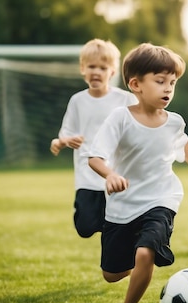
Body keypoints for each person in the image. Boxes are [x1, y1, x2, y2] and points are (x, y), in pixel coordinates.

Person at [88, 43, 188, 303]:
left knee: (145, 253)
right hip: (122, 206)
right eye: (160, 81)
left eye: (172, 82)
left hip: (162, 199)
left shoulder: (174, 122)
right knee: (111, 274)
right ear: (135, 84)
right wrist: (110, 174)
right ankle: (137, 267)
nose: (168, 88)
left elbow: (185, 147)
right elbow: (95, 157)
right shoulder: (120, 118)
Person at [50, 38, 137, 238]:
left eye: (102, 67)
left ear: (112, 72)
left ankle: (117, 253)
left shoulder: (125, 99)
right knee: (85, 227)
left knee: (116, 227)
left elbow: (138, 126)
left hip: (117, 175)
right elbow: (65, 133)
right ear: (83, 69)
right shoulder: (78, 101)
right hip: (87, 176)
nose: (96, 72)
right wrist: (63, 142)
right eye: (91, 66)